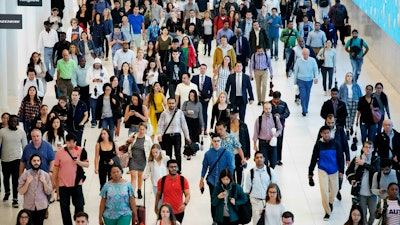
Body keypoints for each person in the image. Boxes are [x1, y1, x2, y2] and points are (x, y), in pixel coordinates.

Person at [308, 126, 344, 221]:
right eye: (324, 133)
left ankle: (330, 202)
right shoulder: (318, 144)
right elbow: (313, 158)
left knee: (335, 190)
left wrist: (341, 171)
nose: (326, 134)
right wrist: (310, 172)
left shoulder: (336, 143)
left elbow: (340, 158)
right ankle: (327, 212)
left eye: (328, 132)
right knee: (324, 191)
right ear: (321, 134)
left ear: (330, 133)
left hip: (334, 169)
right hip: (322, 169)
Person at [53, 133, 89, 225]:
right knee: (64, 208)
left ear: (76, 142)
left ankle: (79, 222)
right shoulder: (59, 153)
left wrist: (78, 162)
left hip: (77, 183)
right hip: (63, 184)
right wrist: (54, 184)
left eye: (73, 142)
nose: (71, 144)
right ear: (66, 141)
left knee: (79, 206)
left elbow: (87, 164)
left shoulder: (81, 150)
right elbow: (56, 169)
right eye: (69, 142)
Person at [200, 133, 234, 223]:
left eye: (218, 141)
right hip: (212, 181)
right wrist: (201, 179)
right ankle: (214, 220)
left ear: (221, 141)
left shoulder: (227, 153)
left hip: (225, 182)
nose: (216, 143)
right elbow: (204, 167)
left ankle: (224, 218)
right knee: (214, 201)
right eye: (214, 141)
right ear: (212, 141)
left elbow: (231, 167)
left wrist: (230, 180)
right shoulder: (208, 154)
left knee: (225, 200)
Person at [345, 141, 380, 225]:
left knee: (373, 213)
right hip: (360, 192)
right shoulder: (357, 158)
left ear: (373, 149)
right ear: (363, 148)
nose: (368, 149)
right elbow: (348, 172)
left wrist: (364, 164)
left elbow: (376, 170)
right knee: (362, 214)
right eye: (366, 147)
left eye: (370, 147)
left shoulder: (376, 159)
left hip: (372, 193)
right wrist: (352, 179)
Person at [0, 115, 27, 208]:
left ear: (17, 122)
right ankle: (7, 191)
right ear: (8, 121)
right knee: (6, 178)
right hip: (4, 159)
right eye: (11, 121)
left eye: (15, 121)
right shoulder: (2, 131)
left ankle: (15, 199)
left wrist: (26, 160)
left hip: (16, 159)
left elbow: (25, 146)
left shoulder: (21, 133)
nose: (13, 123)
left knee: (15, 180)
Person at [244, 151, 278, 225]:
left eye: (261, 157)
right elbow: (247, 189)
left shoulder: (270, 171)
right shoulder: (250, 172)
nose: (259, 159)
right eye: (257, 157)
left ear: (264, 159)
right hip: (255, 201)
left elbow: (275, 187)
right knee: (256, 222)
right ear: (254, 159)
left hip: (268, 201)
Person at [157, 98, 191, 173]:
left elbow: (184, 125)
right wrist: (159, 135)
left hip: (177, 135)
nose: (171, 105)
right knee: (168, 154)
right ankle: (169, 170)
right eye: (169, 103)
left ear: (175, 104)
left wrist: (187, 136)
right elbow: (160, 125)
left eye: (173, 103)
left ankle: (178, 170)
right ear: (167, 104)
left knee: (178, 153)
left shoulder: (180, 112)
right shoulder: (164, 113)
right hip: (167, 136)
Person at [18, 154, 52, 225]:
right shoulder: (25, 175)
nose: (36, 162)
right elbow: (20, 192)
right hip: (29, 206)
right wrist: (27, 182)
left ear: (40, 162)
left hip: (42, 206)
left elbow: (49, 192)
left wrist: (44, 182)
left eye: (38, 161)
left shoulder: (45, 175)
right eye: (34, 161)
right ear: (30, 162)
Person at [253, 102, 283, 169]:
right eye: (266, 109)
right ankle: (266, 176)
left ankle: (270, 174)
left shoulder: (275, 119)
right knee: (264, 162)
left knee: (273, 162)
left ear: (271, 109)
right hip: (263, 143)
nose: (268, 110)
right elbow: (256, 132)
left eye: (269, 109)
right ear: (263, 109)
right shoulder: (259, 119)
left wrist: (277, 134)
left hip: (273, 143)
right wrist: (255, 144)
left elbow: (280, 128)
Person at [127, 123, 152, 199]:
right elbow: (127, 143)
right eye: (140, 129)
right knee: (133, 176)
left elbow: (151, 149)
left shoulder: (148, 139)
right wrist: (129, 141)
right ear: (138, 129)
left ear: (146, 130)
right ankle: (132, 193)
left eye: (143, 129)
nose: (141, 131)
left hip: (142, 159)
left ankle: (139, 190)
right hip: (133, 158)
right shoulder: (133, 135)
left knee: (140, 176)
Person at [293, 48, 318, 116]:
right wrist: (294, 81)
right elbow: (296, 71)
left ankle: (306, 107)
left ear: (309, 54)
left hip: (309, 80)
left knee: (307, 94)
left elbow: (315, 69)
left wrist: (316, 77)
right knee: (303, 95)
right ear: (302, 54)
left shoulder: (312, 60)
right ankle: (304, 109)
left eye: (306, 54)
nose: (305, 55)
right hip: (301, 80)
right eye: (304, 54)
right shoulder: (298, 61)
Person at [86, 58, 110, 128]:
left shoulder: (104, 70)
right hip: (92, 92)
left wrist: (101, 80)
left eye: (98, 65)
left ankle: (102, 121)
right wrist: (92, 80)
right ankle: (93, 121)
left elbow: (107, 79)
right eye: (96, 65)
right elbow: (87, 80)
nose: (97, 66)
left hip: (101, 92)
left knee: (102, 107)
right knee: (93, 107)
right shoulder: (90, 70)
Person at [338, 72, 363, 137]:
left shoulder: (356, 85)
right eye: (348, 76)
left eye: (350, 76)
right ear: (346, 77)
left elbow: (360, 94)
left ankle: (351, 126)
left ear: (352, 78)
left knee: (352, 116)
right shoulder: (342, 86)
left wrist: (361, 103)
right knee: (347, 116)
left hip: (355, 101)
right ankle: (347, 130)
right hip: (345, 102)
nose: (349, 77)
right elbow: (339, 95)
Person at [269, 91, 290, 166]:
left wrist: (280, 116)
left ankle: (278, 159)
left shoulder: (283, 104)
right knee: (270, 142)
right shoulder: (269, 104)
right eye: (275, 99)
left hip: (280, 126)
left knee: (279, 142)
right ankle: (270, 158)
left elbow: (287, 113)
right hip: (270, 126)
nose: (276, 101)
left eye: (278, 99)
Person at [191, 64, 213, 132]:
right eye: (201, 68)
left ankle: (205, 128)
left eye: (204, 68)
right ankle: (198, 129)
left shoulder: (208, 79)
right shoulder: (194, 77)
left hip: (205, 99)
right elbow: (191, 87)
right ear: (199, 69)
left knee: (204, 113)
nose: (202, 70)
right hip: (197, 99)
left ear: (206, 70)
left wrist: (208, 98)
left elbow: (211, 89)